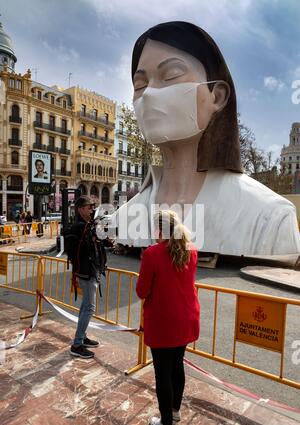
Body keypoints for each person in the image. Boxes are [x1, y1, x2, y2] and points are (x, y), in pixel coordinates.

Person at [112, 21, 300, 256]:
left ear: (217, 96)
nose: (148, 94)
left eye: (170, 74)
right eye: (140, 85)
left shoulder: (271, 218)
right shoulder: (124, 217)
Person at [136, 210, 200, 425]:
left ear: (160, 229)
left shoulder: (153, 254)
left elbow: (142, 290)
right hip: (186, 318)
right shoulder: (190, 250)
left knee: (162, 372)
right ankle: (175, 410)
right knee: (176, 366)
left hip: (163, 320)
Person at [67, 195, 112, 359]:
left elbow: (100, 242)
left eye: (92, 207)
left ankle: (82, 337)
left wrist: (106, 239)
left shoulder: (88, 225)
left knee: (85, 305)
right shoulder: (78, 227)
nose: (92, 209)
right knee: (89, 308)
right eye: (89, 207)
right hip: (87, 271)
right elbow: (78, 250)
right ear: (80, 209)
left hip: (92, 270)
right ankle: (77, 344)